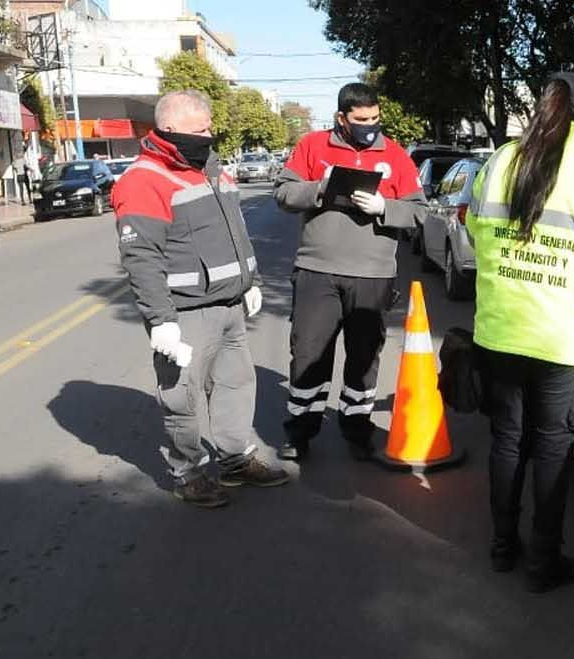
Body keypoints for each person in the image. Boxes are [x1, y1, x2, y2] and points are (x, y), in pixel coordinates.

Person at [465, 72, 574, 592]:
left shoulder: (499, 161)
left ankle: (502, 547)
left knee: (505, 442)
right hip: (564, 342)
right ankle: (545, 561)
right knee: (551, 451)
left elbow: (476, 233)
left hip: (500, 334)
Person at [112, 90, 289, 509]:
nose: (209, 136)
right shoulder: (144, 180)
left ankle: (234, 459)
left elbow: (236, 232)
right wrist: (161, 321)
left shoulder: (211, 169)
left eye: (209, 128)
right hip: (185, 312)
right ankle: (187, 472)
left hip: (229, 305)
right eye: (200, 130)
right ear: (169, 129)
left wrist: (252, 281)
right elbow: (141, 257)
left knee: (236, 385)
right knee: (182, 396)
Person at [273, 83, 426, 462]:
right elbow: (283, 194)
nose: (369, 126)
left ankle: (357, 428)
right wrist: (319, 189)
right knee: (308, 355)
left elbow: (419, 210)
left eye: (375, 119)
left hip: (372, 275)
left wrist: (384, 207)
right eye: (360, 120)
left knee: (363, 357)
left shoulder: (394, 155)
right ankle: (300, 432)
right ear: (342, 118)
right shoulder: (311, 146)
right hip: (316, 271)